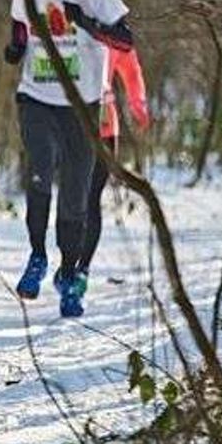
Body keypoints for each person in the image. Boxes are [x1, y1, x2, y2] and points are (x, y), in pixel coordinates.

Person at [3, 0, 134, 318]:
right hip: (36, 97)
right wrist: (15, 50)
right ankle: (37, 257)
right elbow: (21, 32)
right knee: (41, 170)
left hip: (83, 104)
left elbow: (125, 42)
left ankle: (69, 273)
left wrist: (86, 23)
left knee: (76, 199)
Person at [77, 44, 151, 284]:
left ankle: (82, 269)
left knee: (91, 197)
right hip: (70, 121)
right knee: (74, 196)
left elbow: (131, 69)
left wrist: (138, 103)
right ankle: (70, 261)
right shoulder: (66, 21)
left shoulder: (111, 27)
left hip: (104, 125)